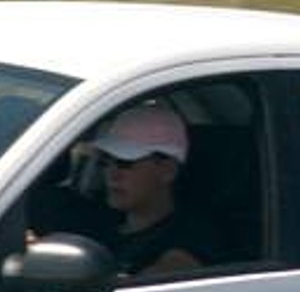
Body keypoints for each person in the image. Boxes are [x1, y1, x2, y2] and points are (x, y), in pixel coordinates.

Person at [92, 104, 216, 277]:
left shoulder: (189, 238)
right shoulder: (95, 215)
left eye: (125, 162)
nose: (112, 174)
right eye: (106, 161)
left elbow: (175, 268)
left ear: (167, 171)